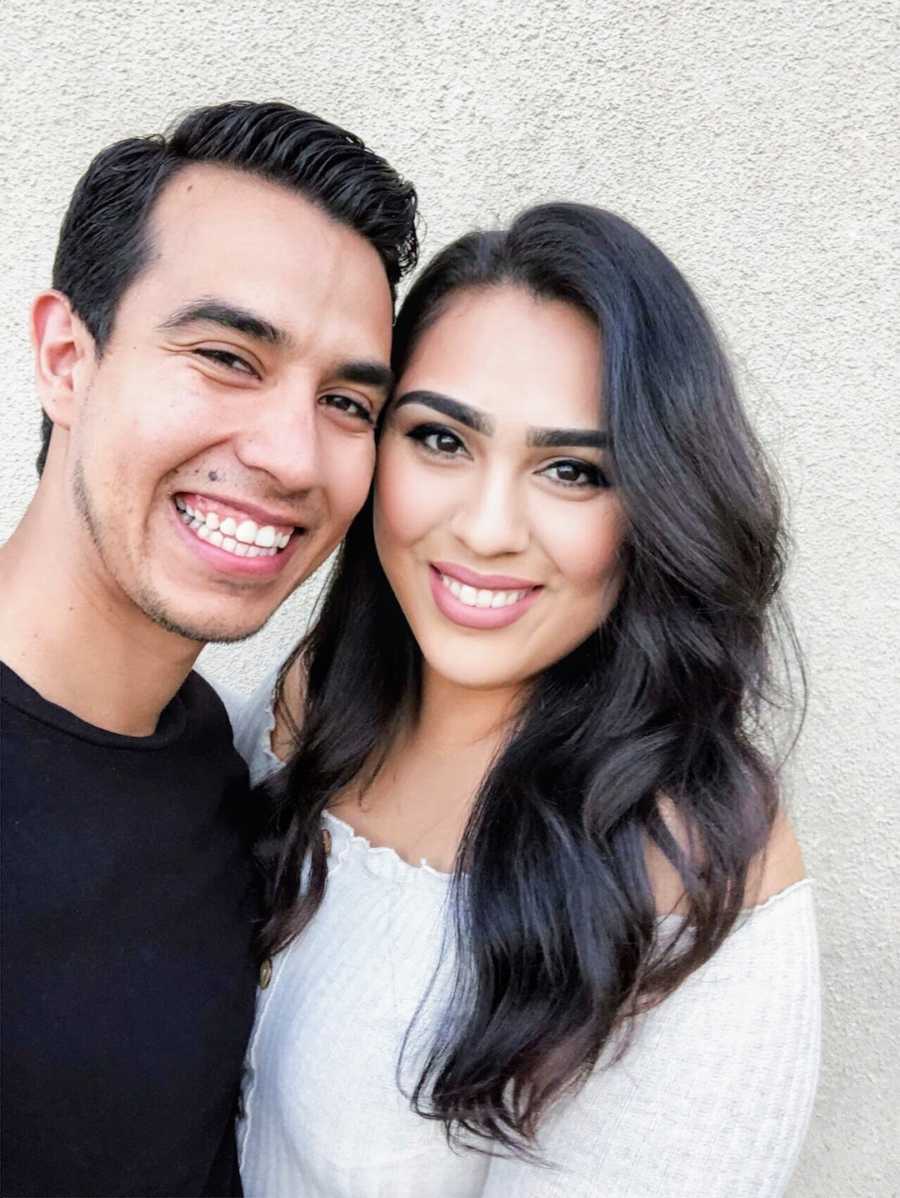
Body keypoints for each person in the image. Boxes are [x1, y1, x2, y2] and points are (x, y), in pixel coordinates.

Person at [222, 203, 820, 1197]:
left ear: (657, 509)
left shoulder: (695, 863)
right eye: (442, 441)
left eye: (572, 469)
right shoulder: (307, 708)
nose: (488, 527)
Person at [0, 100, 417, 1198]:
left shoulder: (228, 773)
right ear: (65, 358)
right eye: (229, 355)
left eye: (345, 400)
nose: (290, 455)